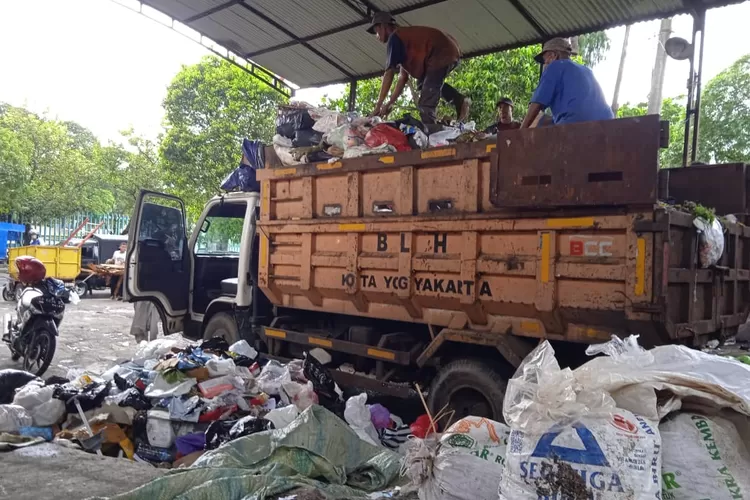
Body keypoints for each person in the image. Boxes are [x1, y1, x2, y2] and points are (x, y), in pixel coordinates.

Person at [367, 12, 470, 127]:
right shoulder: (404, 40)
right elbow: (402, 78)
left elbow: (389, 73)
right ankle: (458, 99)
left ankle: (431, 132)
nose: (377, 36)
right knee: (423, 83)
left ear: (383, 26)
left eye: (377, 32)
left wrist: (378, 105)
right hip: (448, 50)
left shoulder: (395, 38)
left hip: (440, 51)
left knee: (426, 103)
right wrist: (390, 103)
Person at [520, 38, 614, 128]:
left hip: (575, 123)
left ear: (553, 55)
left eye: (545, 60)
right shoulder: (587, 70)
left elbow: (537, 104)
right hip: (608, 121)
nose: (545, 64)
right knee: (550, 120)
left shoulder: (554, 67)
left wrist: (519, 133)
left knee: (539, 119)